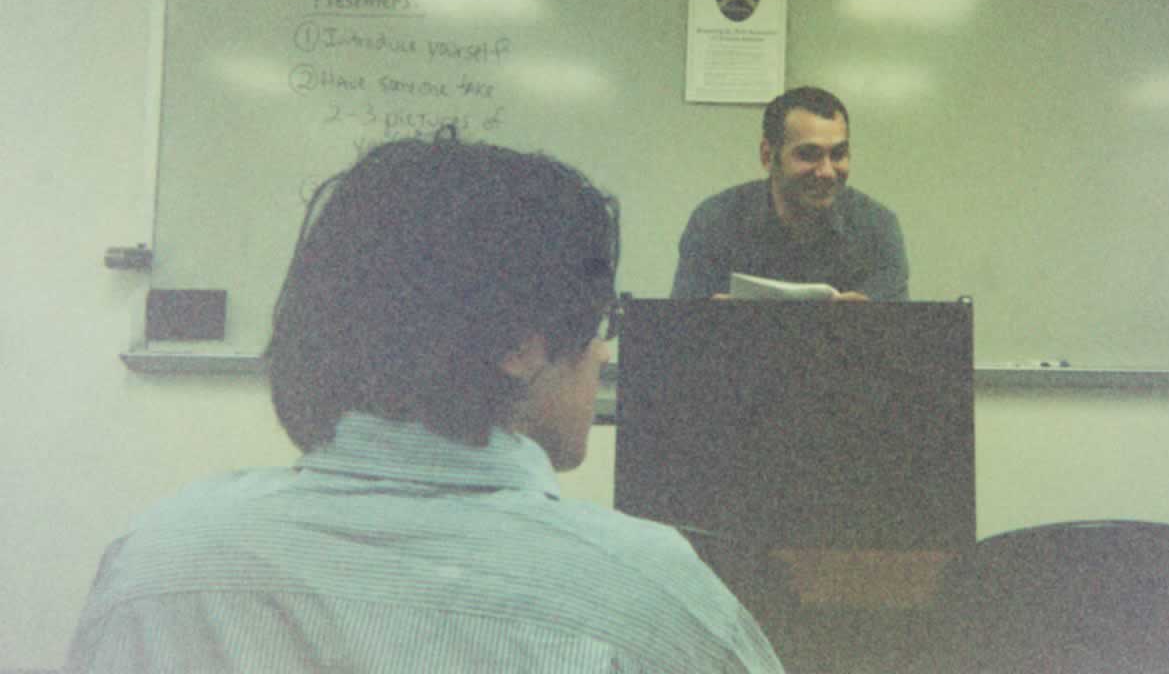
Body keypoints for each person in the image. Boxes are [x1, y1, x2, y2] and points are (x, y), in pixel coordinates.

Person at [67, 130, 785, 674]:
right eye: (600, 327)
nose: (602, 353)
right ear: (523, 345)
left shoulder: (158, 561)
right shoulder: (647, 596)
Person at [671, 86, 909, 301]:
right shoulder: (714, 222)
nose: (827, 172)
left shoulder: (876, 228)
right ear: (767, 156)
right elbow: (678, 335)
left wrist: (873, 324)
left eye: (838, 154)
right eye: (808, 154)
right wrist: (708, 322)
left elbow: (900, 341)